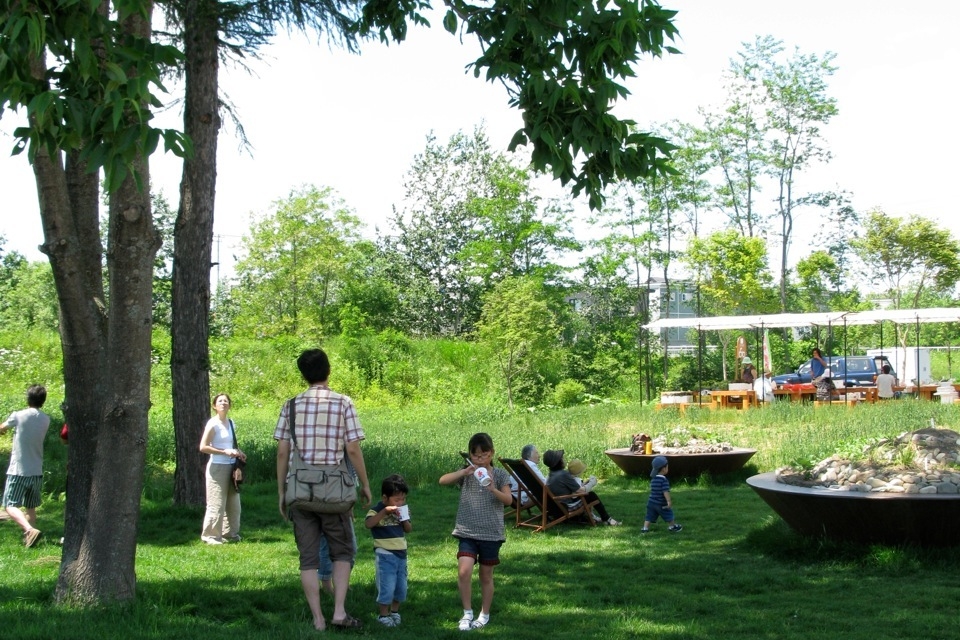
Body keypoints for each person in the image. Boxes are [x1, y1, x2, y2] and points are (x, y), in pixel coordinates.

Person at [275, 348, 372, 632]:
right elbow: (352, 448)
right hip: (335, 494)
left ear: (303, 374)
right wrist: (364, 484)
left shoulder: (290, 405)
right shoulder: (343, 403)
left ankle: (317, 619)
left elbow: (283, 452)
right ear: (328, 370)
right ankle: (339, 612)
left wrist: (282, 490)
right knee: (342, 553)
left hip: (301, 492)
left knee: (308, 558)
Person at [439, 432, 513, 631]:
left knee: (486, 576)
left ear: (491, 453)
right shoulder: (467, 473)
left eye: (484, 455)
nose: (479, 459)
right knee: (464, 571)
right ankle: (467, 613)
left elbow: (509, 501)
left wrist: (493, 489)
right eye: (475, 455)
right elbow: (442, 481)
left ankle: (484, 614)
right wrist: (463, 473)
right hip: (467, 531)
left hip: (491, 533)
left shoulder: (499, 475)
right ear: (470, 455)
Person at [1, 385, 51, 547]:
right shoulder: (46, 419)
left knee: (9, 505)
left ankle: (29, 530)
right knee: (31, 508)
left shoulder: (18, 415)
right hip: (36, 470)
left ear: (28, 398)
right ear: (43, 400)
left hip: (18, 470)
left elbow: (2, 428)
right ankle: (30, 540)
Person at [365, 474, 412, 628]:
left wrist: (404, 519)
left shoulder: (402, 511)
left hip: (401, 553)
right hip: (385, 553)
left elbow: (408, 529)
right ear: (385, 498)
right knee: (387, 585)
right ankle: (383, 614)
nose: (400, 503)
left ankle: (395, 612)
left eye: (403, 499)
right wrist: (384, 512)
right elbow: (369, 524)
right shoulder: (377, 510)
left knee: (401, 586)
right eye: (397, 500)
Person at [198, 393, 246, 545]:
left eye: (226, 401)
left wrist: (239, 452)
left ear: (229, 405)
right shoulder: (213, 424)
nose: (223, 403)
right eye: (220, 401)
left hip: (231, 467)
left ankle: (230, 533)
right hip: (217, 467)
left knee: (233, 503)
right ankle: (210, 536)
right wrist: (223, 452)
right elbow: (203, 447)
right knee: (216, 503)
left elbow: (232, 444)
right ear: (214, 406)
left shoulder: (231, 423)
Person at [543, 449, 621, 526]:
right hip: (567, 506)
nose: (564, 460)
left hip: (558, 506)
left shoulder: (551, 474)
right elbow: (581, 491)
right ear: (558, 462)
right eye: (562, 459)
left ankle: (597, 518)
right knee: (591, 495)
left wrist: (584, 483)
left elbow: (569, 488)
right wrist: (592, 483)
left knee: (587, 494)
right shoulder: (563, 474)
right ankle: (607, 519)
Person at [642, 456, 682, 534]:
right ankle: (672, 526)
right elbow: (665, 491)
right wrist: (669, 501)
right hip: (661, 503)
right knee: (668, 514)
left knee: (649, 516)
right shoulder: (664, 480)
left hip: (651, 502)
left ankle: (645, 528)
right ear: (664, 469)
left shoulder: (653, 479)